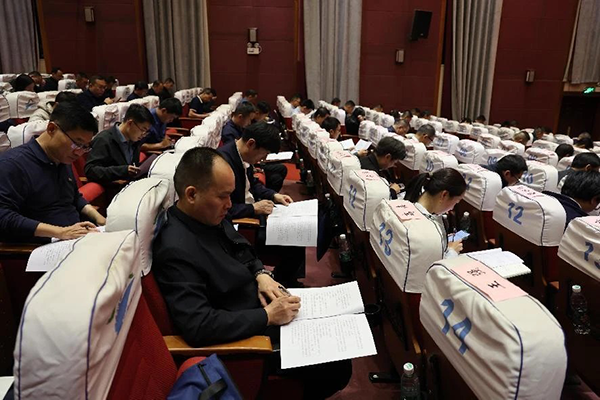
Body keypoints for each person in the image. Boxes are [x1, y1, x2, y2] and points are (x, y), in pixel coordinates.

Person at [152, 147, 351, 399]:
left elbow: (241, 247)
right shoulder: (175, 248)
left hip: (256, 300)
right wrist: (267, 316)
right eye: (223, 196)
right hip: (247, 336)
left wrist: (260, 274)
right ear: (192, 194)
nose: (230, 205)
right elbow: (199, 326)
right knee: (338, 364)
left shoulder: (207, 215)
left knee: (335, 323)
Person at [0, 102, 105, 243]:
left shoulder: (63, 158)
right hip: (40, 246)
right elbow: (4, 216)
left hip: (73, 238)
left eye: (85, 147)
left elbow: (74, 197)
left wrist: (100, 219)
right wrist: (61, 232)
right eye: (76, 143)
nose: (79, 152)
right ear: (51, 129)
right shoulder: (13, 164)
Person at [404, 168, 467, 257]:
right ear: (444, 195)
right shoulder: (429, 230)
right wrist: (452, 251)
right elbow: (435, 264)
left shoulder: (405, 203)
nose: (452, 208)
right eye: (456, 202)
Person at [84, 104, 154, 183]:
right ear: (130, 123)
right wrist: (122, 170)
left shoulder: (135, 141)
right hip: (113, 188)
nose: (143, 134)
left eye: (146, 132)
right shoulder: (104, 139)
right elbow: (90, 170)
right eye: (142, 130)